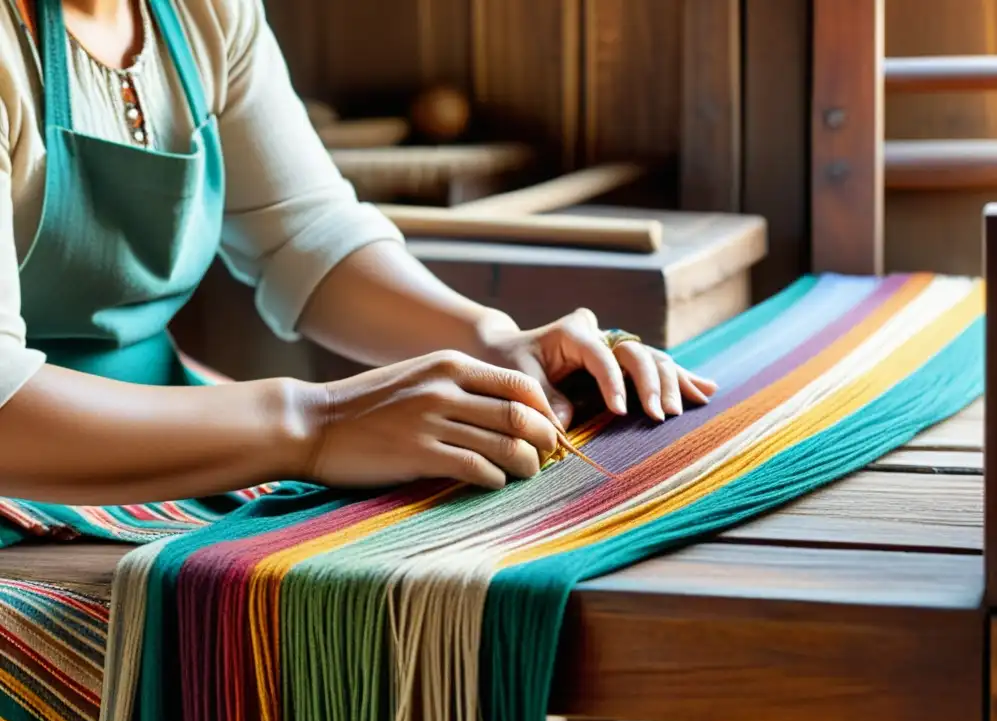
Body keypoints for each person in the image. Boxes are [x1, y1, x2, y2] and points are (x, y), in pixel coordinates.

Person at [0, 0, 717, 508]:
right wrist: (316, 424)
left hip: (168, 432)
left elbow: (308, 235)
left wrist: (496, 344)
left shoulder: (202, 12)